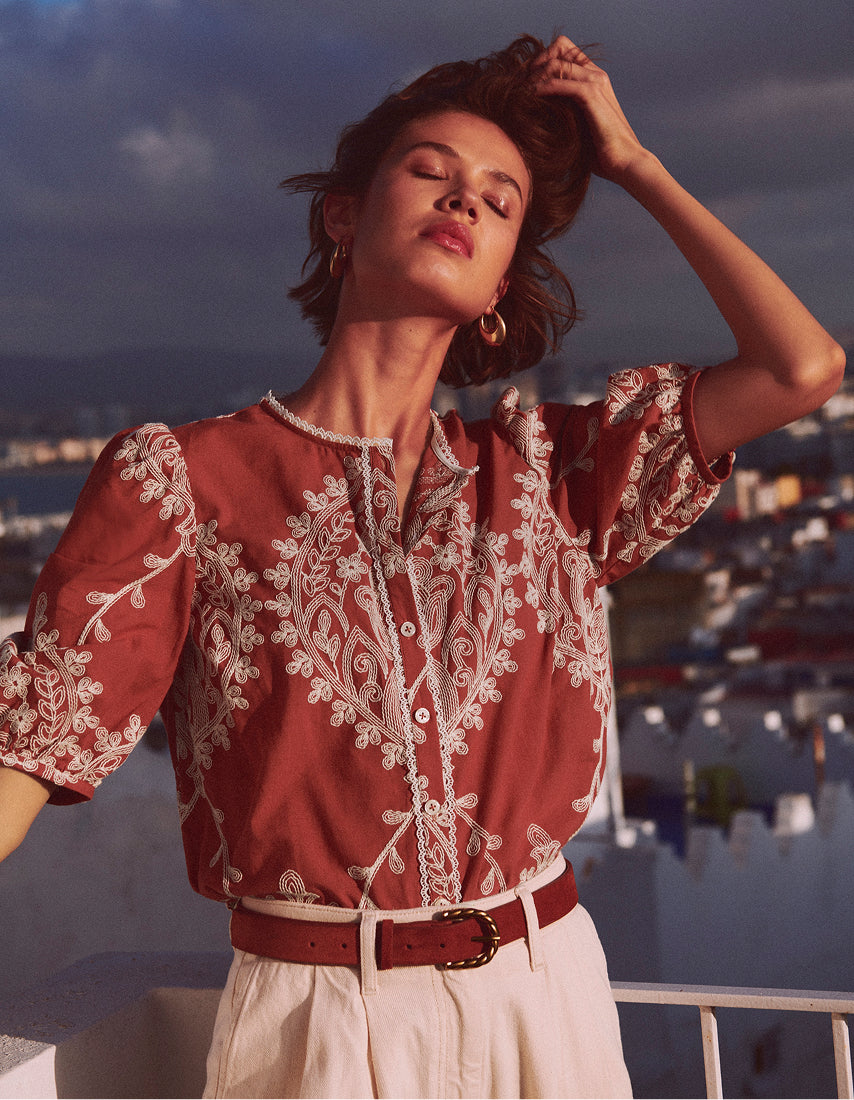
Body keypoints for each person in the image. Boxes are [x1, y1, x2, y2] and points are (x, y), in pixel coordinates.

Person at [0, 32, 844, 1099]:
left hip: (546, 998)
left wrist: (631, 162)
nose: (463, 201)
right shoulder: (179, 480)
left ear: (500, 282)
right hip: (318, 1023)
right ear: (342, 216)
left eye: (498, 204)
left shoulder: (548, 471)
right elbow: (35, 746)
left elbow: (798, 366)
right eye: (428, 171)